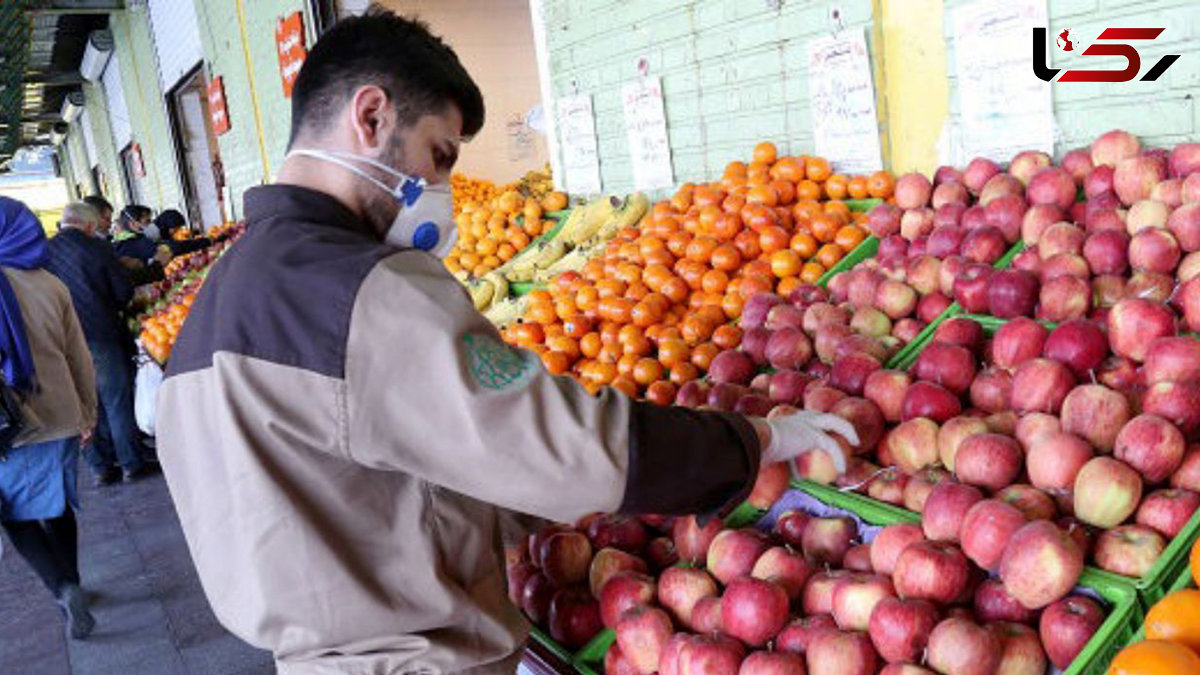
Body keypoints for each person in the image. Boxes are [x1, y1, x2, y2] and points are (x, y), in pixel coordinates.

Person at [155, 10, 854, 674]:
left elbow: (366, 478)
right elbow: (570, 447)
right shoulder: (363, 292)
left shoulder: (214, 306)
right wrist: (758, 440)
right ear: (371, 117)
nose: (441, 188)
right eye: (438, 155)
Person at [0, 196, 98, 639]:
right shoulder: (50, 284)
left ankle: (60, 587)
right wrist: (88, 412)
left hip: (7, 429)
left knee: (15, 517)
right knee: (58, 506)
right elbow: (79, 356)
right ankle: (74, 581)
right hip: (59, 414)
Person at [45, 202, 151, 485]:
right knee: (115, 399)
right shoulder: (97, 248)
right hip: (99, 333)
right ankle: (130, 462)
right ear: (90, 225)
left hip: (61, 341)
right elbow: (122, 291)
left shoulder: (43, 252)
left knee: (81, 402)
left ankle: (100, 467)